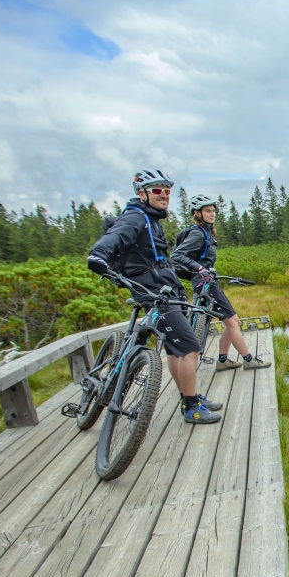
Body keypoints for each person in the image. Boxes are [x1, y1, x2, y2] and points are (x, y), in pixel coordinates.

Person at [86, 170, 223, 424]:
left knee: (174, 349)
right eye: (157, 190)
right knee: (191, 348)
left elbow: (158, 261)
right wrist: (98, 255)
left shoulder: (151, 219)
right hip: (153, 295)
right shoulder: (136, 218)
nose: (164, 196)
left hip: (164, 291)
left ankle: (187, 395)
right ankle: (191, 407)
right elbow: (114, 238)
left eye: (167, 191)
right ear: (142, 194)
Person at [172, 194, 271, 372]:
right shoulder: (197, 233)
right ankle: (249, 360)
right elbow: (177, 256)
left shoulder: (207, 232)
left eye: (213, 211)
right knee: (233, 323)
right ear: (197, 213)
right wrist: (200, 268)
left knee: (233, 321)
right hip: (205, 284)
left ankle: (223, 360)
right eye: (208, 211)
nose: (212, 214)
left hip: (209, 283)